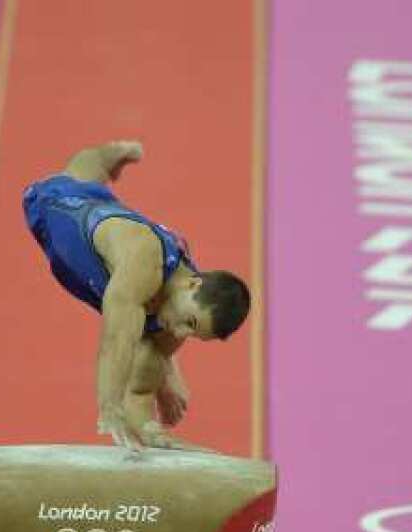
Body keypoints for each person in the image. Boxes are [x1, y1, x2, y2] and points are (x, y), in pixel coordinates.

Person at [21, 140, 250, 452]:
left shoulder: (182, 310)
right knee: (88, 170)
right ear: (193, 285)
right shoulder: (142, 261)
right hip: (61, 204)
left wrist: (150, 424)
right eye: (189, 323)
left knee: (153, 348)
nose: (181, 333)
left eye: (193, 333)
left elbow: (142, 375)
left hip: (119, 250)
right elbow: (117, 341)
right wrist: (110, 407)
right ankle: (114, 152)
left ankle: (157, 404)